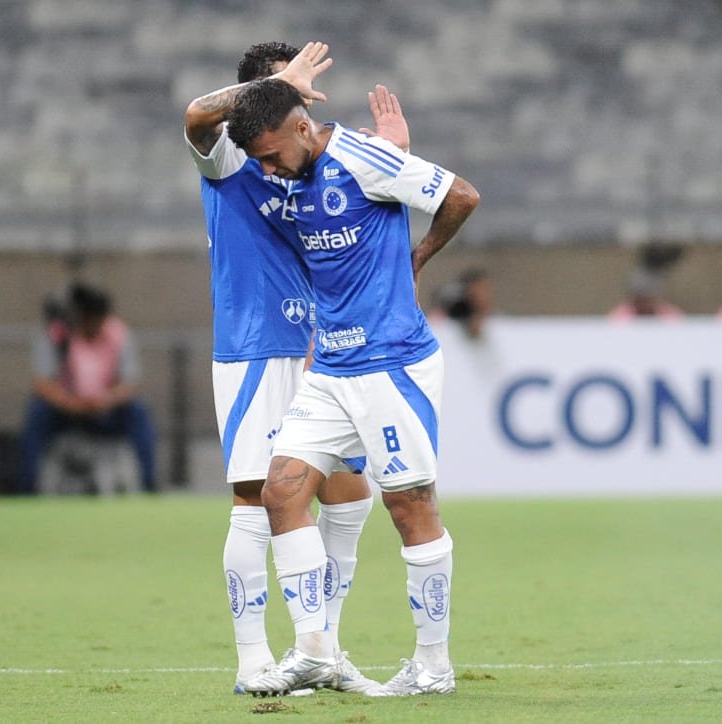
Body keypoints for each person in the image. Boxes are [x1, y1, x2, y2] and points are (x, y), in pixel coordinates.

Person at [223, 71, 481, 697]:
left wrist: (417, 256)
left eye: (273, 155)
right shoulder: (293, 172)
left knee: (409, 506)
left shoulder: (362, 158)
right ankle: (314, 650)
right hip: (330, 367)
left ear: (303, 127)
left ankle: (433, 666)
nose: (271, 170)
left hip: (391, 364)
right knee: (282, 493)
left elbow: (461, 196)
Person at [184, 41, 410, 696]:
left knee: (348, 497)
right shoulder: (227, 158)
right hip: (258, 347)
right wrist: (275, 84)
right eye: (289, 94)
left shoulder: (308, 162)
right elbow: (195, 116)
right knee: (256, 500)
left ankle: (322, 651)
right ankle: (252, 657)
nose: (302, 108)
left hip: (330, 350)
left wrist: (393, 154)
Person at [16, 283, 157, 494]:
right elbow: (42, 382)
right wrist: (69, 403)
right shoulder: (59, 336)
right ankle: (25, 487)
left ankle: (149, 484)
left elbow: (130, 382)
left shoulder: (117, 334)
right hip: (67, 410)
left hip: (106, 409)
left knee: (138, 411)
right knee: (37, 413)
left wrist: (106, 400)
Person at [431, 267, 495, 340]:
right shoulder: (443, 324)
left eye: (486, 290)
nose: (485, 295)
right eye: (479, 290)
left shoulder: (496, 324)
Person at [607, 268, 683, 321]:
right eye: (640, 296)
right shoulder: (621, 315)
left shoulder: (669, 315)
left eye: (648, 296)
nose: (644, 302)